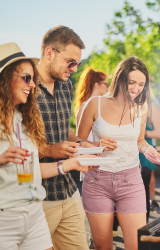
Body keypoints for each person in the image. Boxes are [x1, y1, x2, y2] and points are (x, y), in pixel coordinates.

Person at [0, 42, 97, 250]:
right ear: (4, 79)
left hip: (34, 212)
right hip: (5, 219)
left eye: (32, 79)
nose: (32, 84)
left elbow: (34, 168)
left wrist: (72, 163)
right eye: (26, 78)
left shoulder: (23, 120)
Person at [77, 56, 160, 250]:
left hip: (130, 180)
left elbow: (139, 140)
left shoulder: (142, 107)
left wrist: (148, 149)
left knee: (135, 246)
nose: (136, 88)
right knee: (104, 247)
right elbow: (79, 142)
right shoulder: (95, 103)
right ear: (119, 79)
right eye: (132, 82)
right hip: (97, 180)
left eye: (141, 84)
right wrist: (97, 145)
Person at [35, 25, 95, 250]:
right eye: (70, 62)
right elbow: (14, 142)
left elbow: (63, 129)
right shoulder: (24, 88)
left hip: (68, 191)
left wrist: (83, 144)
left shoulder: (66, 85)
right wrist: (50, 150)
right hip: (38, 197)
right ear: (49, 53)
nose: (75, 68)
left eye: (77, 63)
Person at [74, 67, 109, 194]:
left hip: (101, 159)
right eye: (106, 84)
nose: (108, 87)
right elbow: (81, 138)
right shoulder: (84, 107)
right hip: (93, 161)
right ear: (96, 85)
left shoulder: (98, 106)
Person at [139, 87, 160, 222]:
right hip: (127, 155)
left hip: (144, 155)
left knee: (143, 194)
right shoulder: (125, 103)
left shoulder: (151, 104)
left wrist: (140, 134)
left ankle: (142, 230)